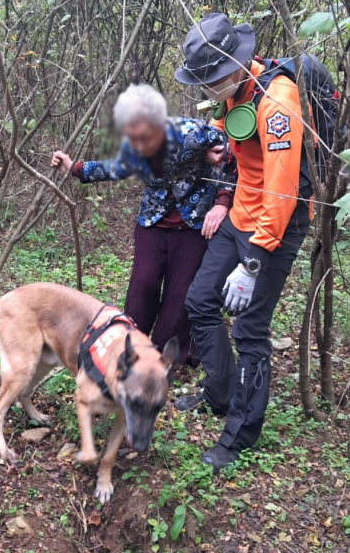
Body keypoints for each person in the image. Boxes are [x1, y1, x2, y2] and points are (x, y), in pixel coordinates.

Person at [174, 13, 313, 470]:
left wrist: (253, 263)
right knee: (199, 302)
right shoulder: (234, 92)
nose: (208, 88)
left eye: (212, 78)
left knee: (251, 329)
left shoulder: (279, 101)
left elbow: (283, 190)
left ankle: (238, 436)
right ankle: (219, 391)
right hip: (240, 215)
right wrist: (212, 146)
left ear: (237, 64)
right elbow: (228, 135)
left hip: (276, 226)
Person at [52, 83, 232, 365]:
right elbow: (116, 166)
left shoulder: (193, 132)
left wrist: (222, 201)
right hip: (153, 220)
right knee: (143, 284)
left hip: (194, 224)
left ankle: (156, 358)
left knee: (179, 295)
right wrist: (75, 168)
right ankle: (128, 347)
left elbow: (231, 158)